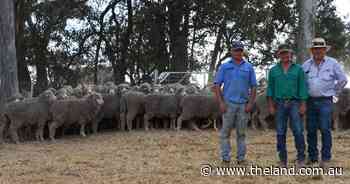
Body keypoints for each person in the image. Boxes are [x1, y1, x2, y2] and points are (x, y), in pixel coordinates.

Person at [302, 38, 348, 168]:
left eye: (320, 48)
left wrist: (335, 92)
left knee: (325, 129)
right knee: (310, 130)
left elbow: (343, 79)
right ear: (312, 50)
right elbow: (301, 82)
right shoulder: (305, 65)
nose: (318, 51)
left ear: (324, 50)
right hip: (309, 100)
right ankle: (312, 158)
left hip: (325, 101)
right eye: (315, 49)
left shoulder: (332, 63)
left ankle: (326, 158)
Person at [213, 41, 257, 165]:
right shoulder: (224, 67)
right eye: (236, 50)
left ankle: (241, 158)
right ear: (231, 52)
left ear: (243, 52)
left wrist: (251, 103)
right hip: (228, 104)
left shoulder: (249, 67)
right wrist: (221, 102)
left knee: (241, 133)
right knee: (225, 132)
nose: (238, 52)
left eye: (240, 50)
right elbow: (217, 85)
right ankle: (226, 158)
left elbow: (254, 86)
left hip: (243, 105)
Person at [266, 44, 308, 168]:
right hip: (279, 103)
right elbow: (270, 89)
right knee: (280, 132)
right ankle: (282, 160)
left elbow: (303, 88)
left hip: (295, 103)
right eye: (282, 53)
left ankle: (301, 159)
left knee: (298, 131)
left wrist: (303, 105)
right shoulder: (273, 70)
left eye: (287, 53)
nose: (285, 55)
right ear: (279, 55)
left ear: (291, 54)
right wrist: (270, 106)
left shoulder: (298, 69)